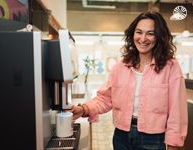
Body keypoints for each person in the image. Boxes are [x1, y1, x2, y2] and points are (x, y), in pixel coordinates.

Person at [71, 11, 188, 150]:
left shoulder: (170, 67)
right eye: (139, 32)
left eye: (150, 33)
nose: (143, 38)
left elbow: (177, 110)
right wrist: (83, 109)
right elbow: (105, 98)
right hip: (121, 136)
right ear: (133, 34)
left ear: (159, 37)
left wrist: (173, 145)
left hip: (153, 139)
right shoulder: (121, 67)